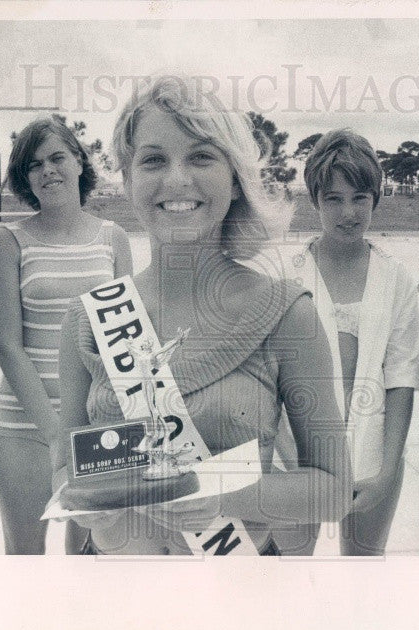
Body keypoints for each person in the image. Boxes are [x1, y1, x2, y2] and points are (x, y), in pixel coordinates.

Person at [54, 75, 352, 555]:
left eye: (201, 156)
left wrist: (216, 492)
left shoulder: (286, 315)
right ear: (127, 180)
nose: (176, 179)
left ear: (235, 179)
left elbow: (333, 492)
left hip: (232, 603)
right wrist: (92, 510)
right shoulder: (87, 321)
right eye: (153, 159)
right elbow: (66, 468)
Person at [0, 117, 132, 554]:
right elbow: (8, 348)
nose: (47, 170)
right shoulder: (10, 240)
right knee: (25, 558)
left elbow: (123, 340)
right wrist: (56, 434)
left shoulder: (113, 238)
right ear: (24, 178)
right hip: (27, 426)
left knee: (89, 559)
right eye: (34, 165)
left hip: (96, 423)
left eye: (57, 158)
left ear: (78, 162)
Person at [292, 129, 419, 555]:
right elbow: (270, 374)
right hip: (296, 458)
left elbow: (401, 373)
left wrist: (387, 469)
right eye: (333, 199)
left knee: (364, 574)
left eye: (360, 198)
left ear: (376, 199)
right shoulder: (286, 273)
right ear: (315, 200)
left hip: (373, 456)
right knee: (283, 577)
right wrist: (287, 464)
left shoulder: (395, 276)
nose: (348, 212)